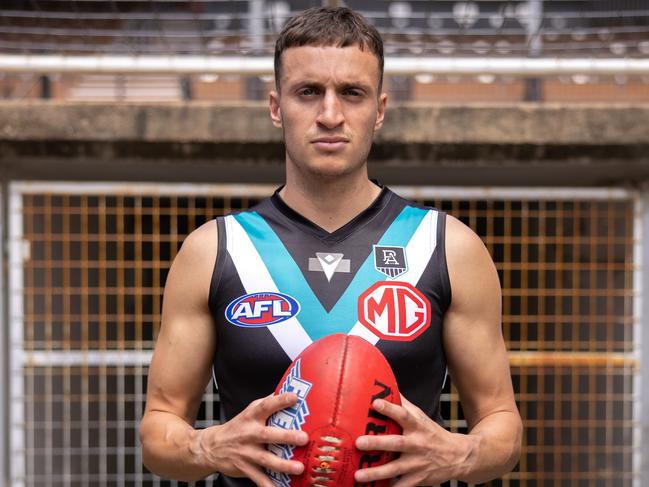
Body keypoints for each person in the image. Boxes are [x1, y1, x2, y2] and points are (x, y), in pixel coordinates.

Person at [140, 6, 522, 487]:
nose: (330, 114)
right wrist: (205, 445)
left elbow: (502, 424)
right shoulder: (216, 250)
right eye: (308, 92)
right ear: (276, 106)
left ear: (379, 110)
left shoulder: (447, 246)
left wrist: (462, 454)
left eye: (352, 93)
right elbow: (159, 429)